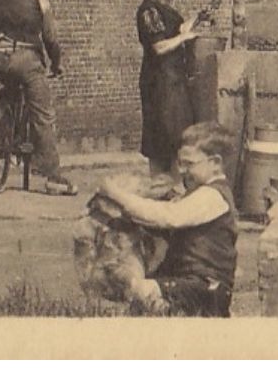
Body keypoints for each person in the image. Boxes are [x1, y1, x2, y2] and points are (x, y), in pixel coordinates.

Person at [98, 121, 238, 317]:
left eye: (189, 164)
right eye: (180, 163)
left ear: (215, 163)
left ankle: (171, 316)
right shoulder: (194, 193)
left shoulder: (213, 196)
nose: (181, 170)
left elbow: (168, 217)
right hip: (184, 279)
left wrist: (118, 195)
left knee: (140, 290)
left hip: (207, 285)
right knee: (132, 285)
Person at [0, 0, 75, 195]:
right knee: (43, 115)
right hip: (27, 60)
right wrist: (56, 63)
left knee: (10, 85)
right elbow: (50, 37)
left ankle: (1, 138)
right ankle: (53, 178)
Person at [135, 0, 210, 175]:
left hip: (173, 79)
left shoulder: (166, 10)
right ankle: (160, 184)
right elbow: (159, 47)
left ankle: (171, 185)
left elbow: (179, 29)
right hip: (158, 81)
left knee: (177, 134)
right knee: (161, 136)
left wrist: (197, 18)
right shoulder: (149, 11)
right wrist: (183, 39)